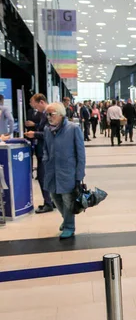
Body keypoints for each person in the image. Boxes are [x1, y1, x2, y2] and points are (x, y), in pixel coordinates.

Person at [42, 102, 86, 239]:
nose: (49, 117)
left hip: (68, 172)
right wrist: (45, 160)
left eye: (51, 114)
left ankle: (69, 227)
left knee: (68, 200)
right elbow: (46, 148)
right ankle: (66, 219)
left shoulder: (73, 129)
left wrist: (79, 175)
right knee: (55, 197)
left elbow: (81, 154)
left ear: (61, 115)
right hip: (52, 171)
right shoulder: (47, 129)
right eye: (47, 114)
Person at [24, 93, 54, 214]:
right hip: (44, 151)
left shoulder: (48, 114)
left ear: (41, 102)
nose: (35, 108)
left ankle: (48, 203)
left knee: (43, 177)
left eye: (36, 105)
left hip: (45, 151)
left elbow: (50, 133)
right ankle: (51, 201)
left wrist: (34, 134)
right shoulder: (44, 114)